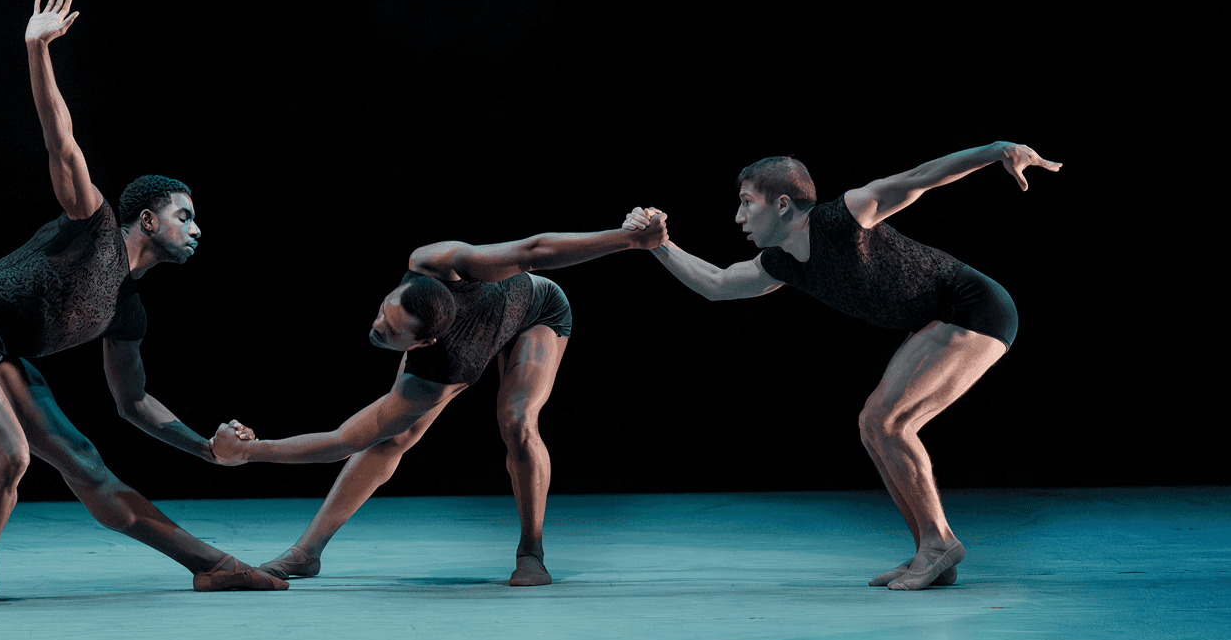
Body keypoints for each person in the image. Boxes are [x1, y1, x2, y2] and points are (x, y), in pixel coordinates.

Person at [0, 0, 286, 600]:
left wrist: (207, 451)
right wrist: (36, 50)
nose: (197, 227)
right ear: (149, 220)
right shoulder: (94, 224)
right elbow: (61, 141)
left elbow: (134, 404)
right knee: (11, 453)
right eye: (185, 215)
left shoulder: (126, 312)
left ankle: (209, 564)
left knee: (84, 461)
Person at [624, 143, 1060, 590]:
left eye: (746, 203)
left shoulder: (845, 215)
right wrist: (659, 246)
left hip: (972, 306)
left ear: (782, 204)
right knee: (875, 425)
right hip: (935, 319)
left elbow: (921, 175)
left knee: (885, 420)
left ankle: (939, 543)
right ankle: (930, 554)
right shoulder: (781, 262)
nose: (738, 218)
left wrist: (996, 151)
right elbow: (717, 284)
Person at [208, 216, 669, 586]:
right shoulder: (435, 262)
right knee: (391, 439)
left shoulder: (445, 369)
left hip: (537, 311)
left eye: (390, 334)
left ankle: (531, 551)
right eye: (383, 313)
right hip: (479, 320)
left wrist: (629, 241)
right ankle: (306, 553)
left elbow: (340, 441)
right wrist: (251, 449)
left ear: (423, 343)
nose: (376, 329)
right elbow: (531, 250)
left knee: (517, 422)